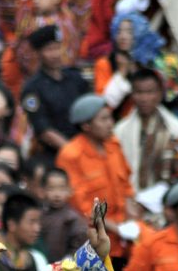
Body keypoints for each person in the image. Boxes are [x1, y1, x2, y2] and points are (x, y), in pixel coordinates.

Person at [56, 93, 135, 259]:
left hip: (125, 237)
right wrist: (116, 228)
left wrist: (132, 221)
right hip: (95, 241)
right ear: (86, 126)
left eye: (110, 118)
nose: (110, 124)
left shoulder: (113, 145)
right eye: (103, 119)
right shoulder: (71, 155)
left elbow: (127, 187)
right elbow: (79, 205)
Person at [19, 24, 90, 156]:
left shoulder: (76, 77)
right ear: (38, 53)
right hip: (55, 153)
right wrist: (72, 152)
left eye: (57, 48)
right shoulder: (32, 89)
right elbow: (44, 130)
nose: (55, 54)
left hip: (86, 144)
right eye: (49, 50)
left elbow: (90, 111)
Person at [114, 67, 178, 191]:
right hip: (128, 198)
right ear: (132, 94)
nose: (144, 98)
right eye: (139, 92)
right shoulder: (120, 130)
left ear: (160, 93)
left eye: (150, 92)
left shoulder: (176, 129)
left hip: (163, 200)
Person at [0, 189, 48, 271]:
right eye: (31, 222)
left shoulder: (38, 260)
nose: (37, 229)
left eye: (38, 222)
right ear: (12, 224)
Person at [39, 167, 87, 263]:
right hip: (42, 262)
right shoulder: (39, 215)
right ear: (43, 191)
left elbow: (78, 244)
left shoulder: (72, 218)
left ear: (69, 190)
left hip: (65, 265)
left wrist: (69, 258)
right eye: (51, 189)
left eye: (62, 189)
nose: (57, 194)